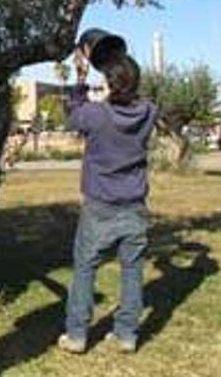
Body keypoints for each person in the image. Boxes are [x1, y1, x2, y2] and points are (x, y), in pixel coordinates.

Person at [58, 33, 157, 354]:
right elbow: (135, 96)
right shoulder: (149, 112)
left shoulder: (97, 116)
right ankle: (127, 334)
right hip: (135, 206)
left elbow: (74, 113)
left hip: (100, 205)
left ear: (110, 84)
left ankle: (77, 334)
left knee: (85, 267)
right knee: (132, 269)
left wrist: (81, 77)